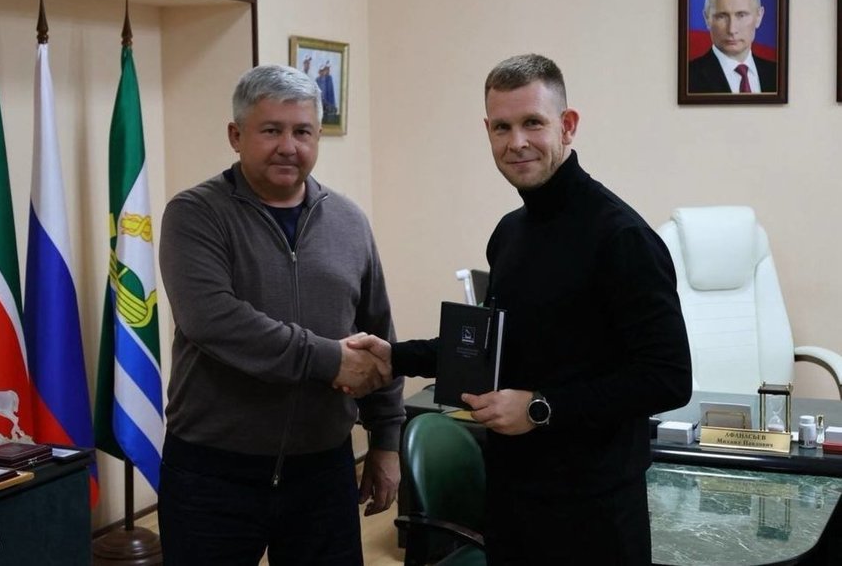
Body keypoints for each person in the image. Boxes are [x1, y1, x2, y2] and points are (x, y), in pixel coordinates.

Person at [351, 54, 692, 564]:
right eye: (502, 127)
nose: (517, 142)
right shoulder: (510, 233)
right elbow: (494, 347)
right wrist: (393, 357)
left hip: (594, 511)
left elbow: (668, 378)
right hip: (513, 498)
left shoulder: (621, 237)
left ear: (567, 125)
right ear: (487, 131)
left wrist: (540, 407)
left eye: (533, 122)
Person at [157, 63, 403, 565]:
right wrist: (330, 359)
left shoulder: (349, 221)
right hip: (213, 474)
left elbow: (378, 334)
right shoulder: (195, 214)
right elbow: (213, 320)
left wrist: (386, 440)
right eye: (271, 130)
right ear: (236, 135)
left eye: (302, 132)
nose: (289, 146)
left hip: (322, 471)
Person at [688, 0, 777, 94]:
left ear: (759, 16)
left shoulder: (777, 73)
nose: (732, 29)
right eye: (722, 16)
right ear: (707, 19)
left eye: (741, 15)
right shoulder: (688, 77)